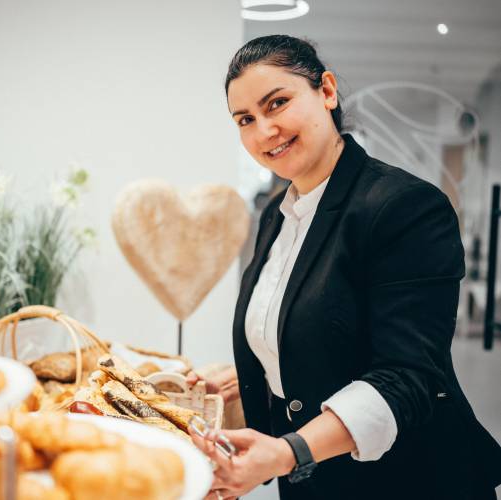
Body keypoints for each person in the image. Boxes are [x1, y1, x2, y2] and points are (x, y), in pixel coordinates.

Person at [186, 35, 501, 500]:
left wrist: (288, 450)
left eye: (278, 103)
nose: (264, 130)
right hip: (318, 481)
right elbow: (317, 318)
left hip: (412, 478)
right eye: (245, 119)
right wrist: (261, 363)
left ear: (327, 91)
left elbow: (408, 376)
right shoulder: (278, 214)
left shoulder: (405, 206)